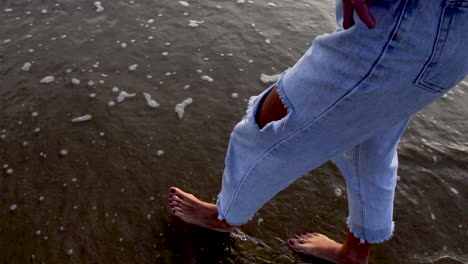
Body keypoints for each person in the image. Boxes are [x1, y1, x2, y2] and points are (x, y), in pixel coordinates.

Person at [169, 0, 467, 263]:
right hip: (445, 36)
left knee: (268, 127)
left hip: (417, 23)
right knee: (369, 145)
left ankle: (223, 217)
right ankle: (354, 253)